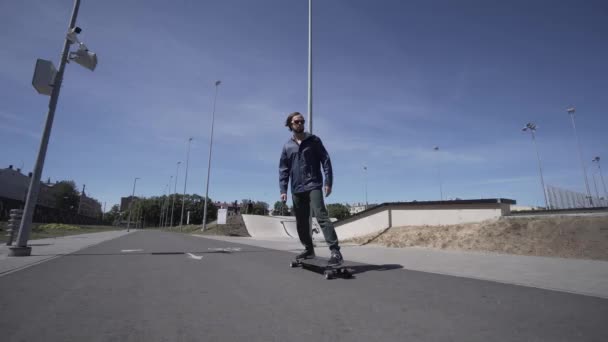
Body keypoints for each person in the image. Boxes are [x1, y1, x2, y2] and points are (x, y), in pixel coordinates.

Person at [279, 112, 343, 266]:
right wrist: (283, 189)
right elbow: (284, 169)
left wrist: (329, 181)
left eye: (302, 121)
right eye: (297, 122)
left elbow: (325, 160)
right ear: (290, 125)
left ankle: (335, 251)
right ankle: (308, 249)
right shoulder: (287, 146)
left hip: (314, 184)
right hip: (297, 189)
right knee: (301, 222)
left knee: (321, 216)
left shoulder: (314, 140)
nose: (300, 124)